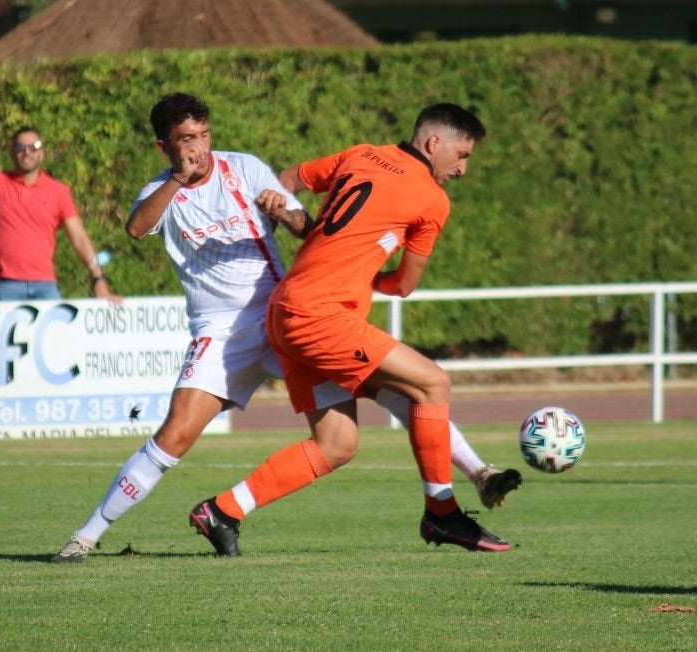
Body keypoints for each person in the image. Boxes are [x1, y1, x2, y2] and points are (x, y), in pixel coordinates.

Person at [51, 94, 519, 563]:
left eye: (204, 134)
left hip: (280, 312)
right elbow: (136, 227)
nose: (199, 147)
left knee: (360, 425)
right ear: (164, 146)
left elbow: (308, 227)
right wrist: (177, 179)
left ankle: (225, 511)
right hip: (225, 332)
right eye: (187, 140)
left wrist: (286, 210)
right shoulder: (163, 190)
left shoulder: (245, 168)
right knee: (174, 436)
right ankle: (86, 535)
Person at [190, 103, 512, 556]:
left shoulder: (360, 155)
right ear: (433, 143)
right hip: (320, 317)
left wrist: (297, 225)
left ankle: (222, 511)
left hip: (284, 309)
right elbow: (403, 285)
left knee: (336, 445)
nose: (461, 169)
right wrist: (363, 275)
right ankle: (442, 515)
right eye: (462, 155)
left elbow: (284, 180)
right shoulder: (432, 200)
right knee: (433, 383)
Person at [0, 127, 121, 303]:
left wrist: (99, 278)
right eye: (20, 147)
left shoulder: (58, 192)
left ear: (42, 154)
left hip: (45, 286)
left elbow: (79, 238)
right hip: (4, 285)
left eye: (34, 147)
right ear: (12, 152)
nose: (27, 152)